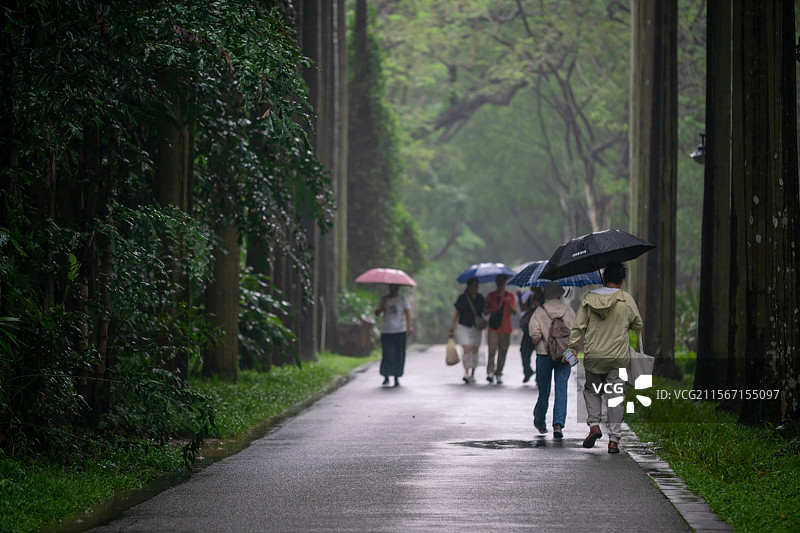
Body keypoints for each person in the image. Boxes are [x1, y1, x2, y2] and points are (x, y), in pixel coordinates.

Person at [567, 262, 642, 453]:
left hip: (594, 357)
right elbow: (638, 324)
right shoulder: (626, 300)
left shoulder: (589, 298)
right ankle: (614, 441)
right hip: (618, 357)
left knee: (592, 391)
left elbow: (578, 327)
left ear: (603, 278)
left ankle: (594, 426)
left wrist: (572, 347)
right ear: (622, 280)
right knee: (616, 396)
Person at [529, 282, 576, 438]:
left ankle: (540, 421)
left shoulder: (539, 311)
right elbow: (576, 334)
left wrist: (543, 341)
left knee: (544, 390)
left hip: (544, 355)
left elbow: (534, 334)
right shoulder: (568, 312)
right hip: (565, 355)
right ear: (560, 293)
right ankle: (558, 425)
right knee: (561, 389)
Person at [375, 284, 413, 387]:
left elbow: (407, 313)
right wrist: (382, 307)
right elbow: (377, 313)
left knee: (399, 354)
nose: (393, 290)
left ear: (398, 288)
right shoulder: (384, 299)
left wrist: (410, 326)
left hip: (400, 330)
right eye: (391, 288)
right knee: (387, 353)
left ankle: (396, 377)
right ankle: (386, 376)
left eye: (395, 288)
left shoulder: (402, 299)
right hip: (386, 330)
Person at [448, 277, 485, 384]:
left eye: (477, 286)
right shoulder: (462, 298)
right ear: (468, 286)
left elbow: (485, 311)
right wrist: (452, 328)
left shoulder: (480, 298)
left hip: (476, 328)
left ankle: (473, 372)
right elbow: (456, 314)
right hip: (463, 326)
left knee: (474, 350)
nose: (476, 288)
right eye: (474, 286)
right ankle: (466, 372)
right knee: (466, 348)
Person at [483, 274, 517, 384]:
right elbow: (485, 310)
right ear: (496, 282)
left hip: (506, 328)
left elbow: (514, 311)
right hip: (493, 327)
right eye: (498, 281)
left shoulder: (510, 296)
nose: (500, 283)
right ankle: (490, 372)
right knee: (492, 349)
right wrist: (488, 308)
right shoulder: (490, 296)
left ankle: (499, 372)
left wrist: (508, 303)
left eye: (502, 281)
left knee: (503, 350)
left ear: (505, 282)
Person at [518, 287, 544, 383]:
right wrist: (520, 298)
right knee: (524, 351)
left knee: (540, 354)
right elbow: (522, 308)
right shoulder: (531, 297)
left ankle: (539, 375)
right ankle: (527, 371)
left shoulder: (545, 297)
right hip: (528, 330)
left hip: (540, 330)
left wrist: (539, 305)